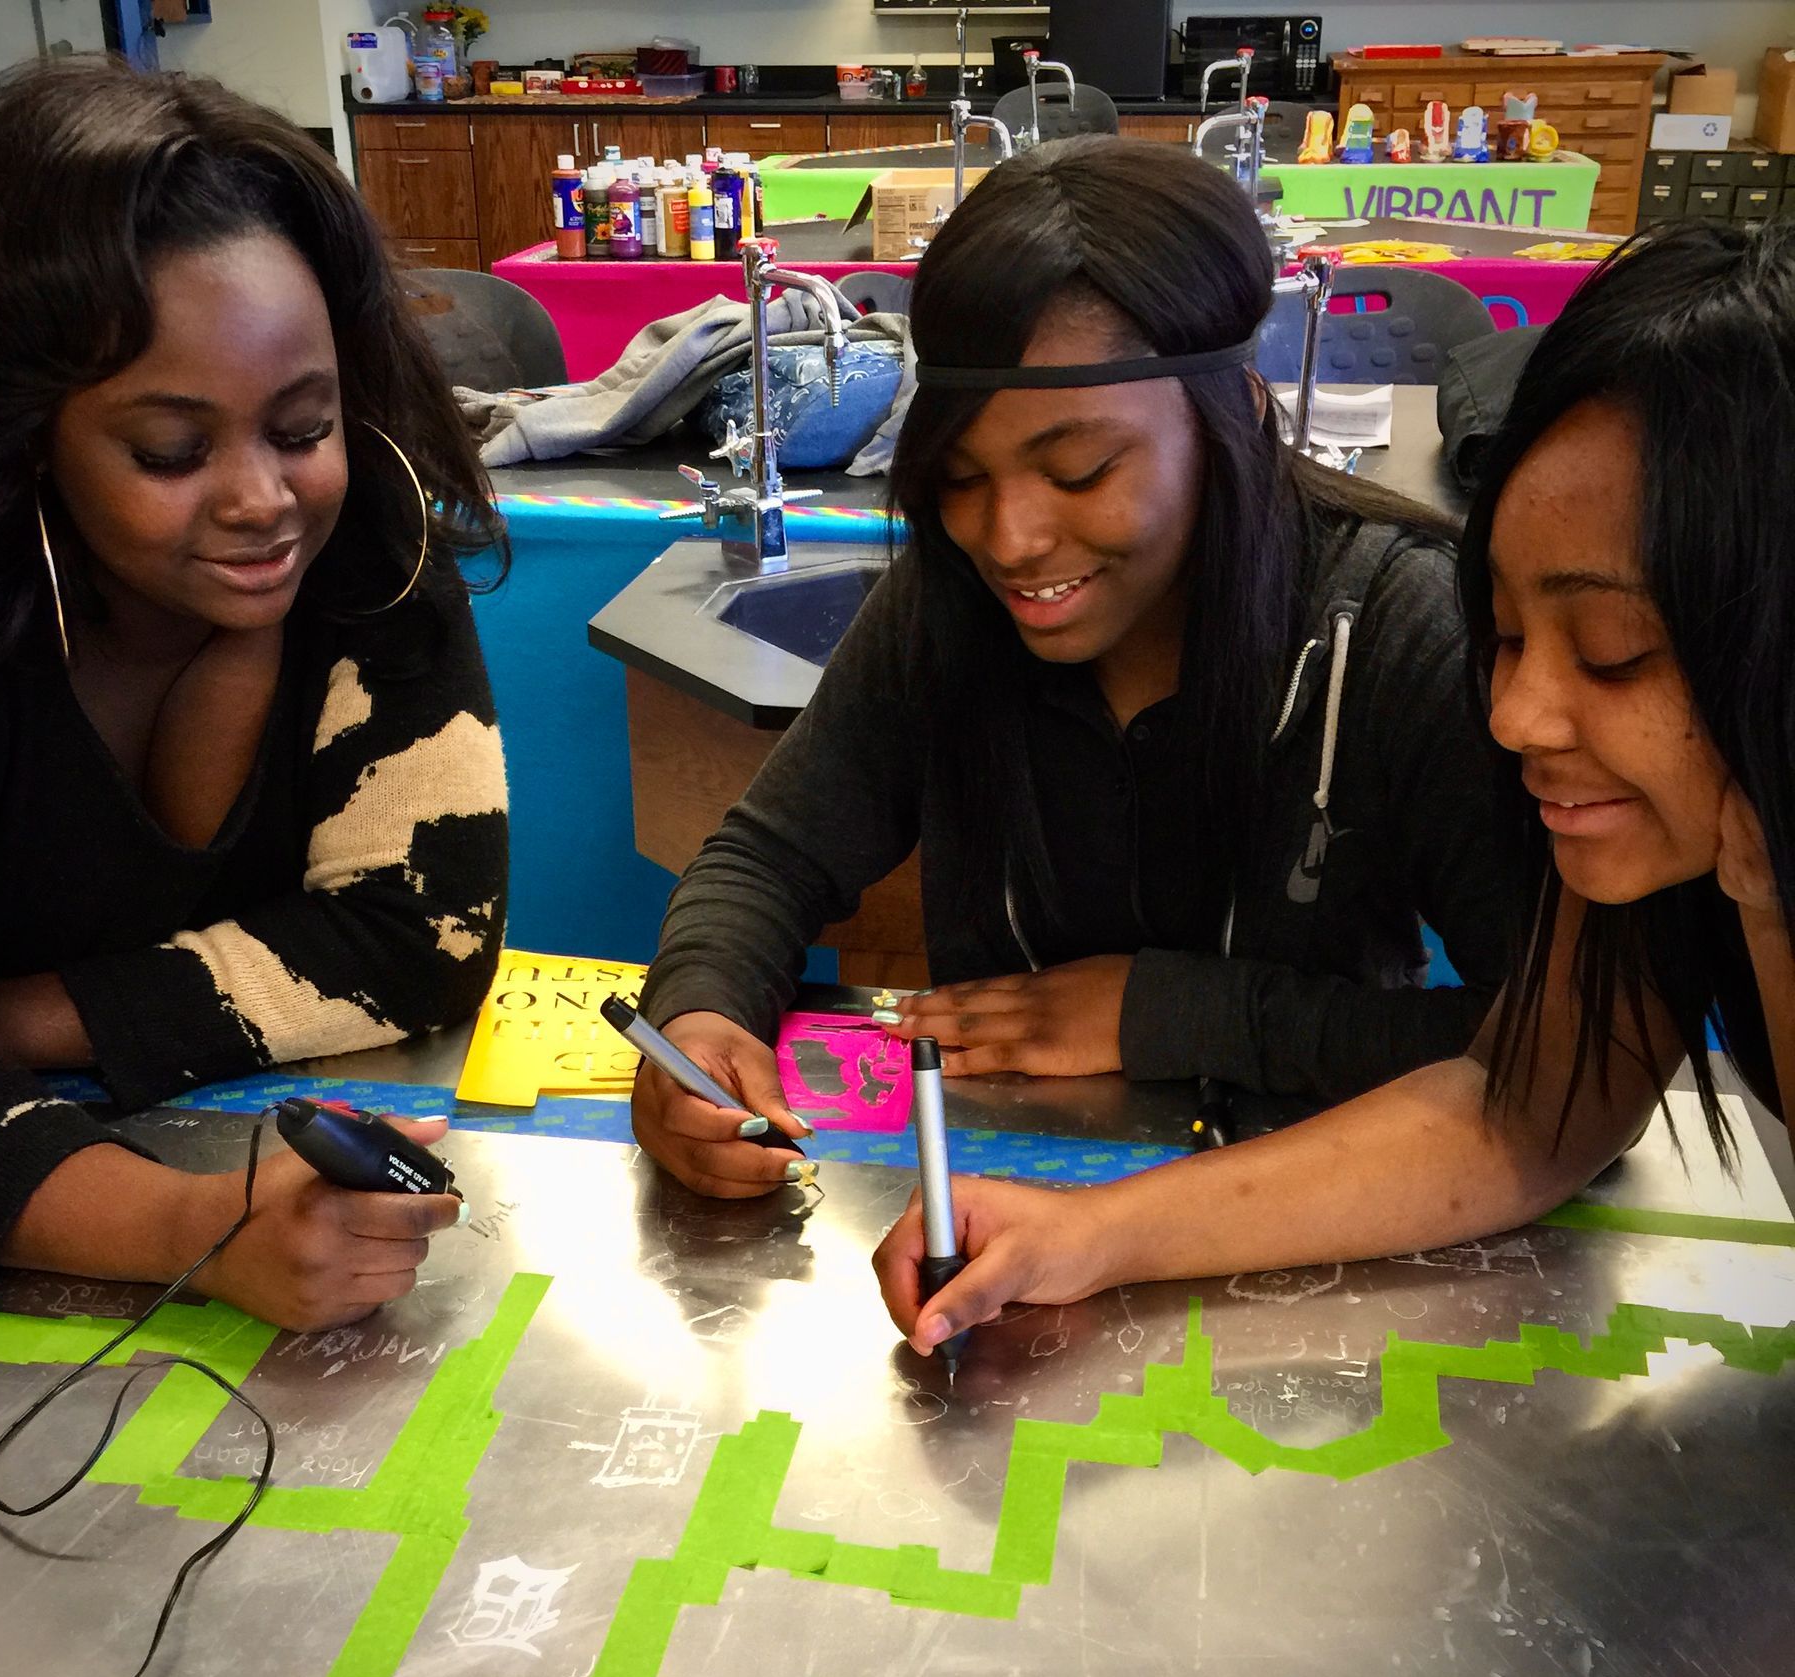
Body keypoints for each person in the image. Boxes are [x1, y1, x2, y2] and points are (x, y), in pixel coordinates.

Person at [876, 217, 1795, 1355]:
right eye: (1506, 640)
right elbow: (1525, 1112)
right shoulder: (1673, 827)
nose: (1515, 718)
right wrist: (1095, 1235)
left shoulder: (1381, 618)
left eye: (1611, 652)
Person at [632, 137, 1520, 1198]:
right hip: (993, 1207)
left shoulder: (1398, 625)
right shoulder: (944, 603)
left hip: (1330, 1203)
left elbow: (1555, 1048)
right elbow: (769, 857)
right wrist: (699, 1013)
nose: (1008, 540)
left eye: (1080, 469)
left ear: (1234, 410)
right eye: (959, 478)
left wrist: (1175, 1013)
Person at [0, 61, 511, 1330]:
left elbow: (421, 937)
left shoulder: (374, 561)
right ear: (22, 436)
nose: (262, 502)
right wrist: (199, 1227)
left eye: (302, 425)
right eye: (170, 451)